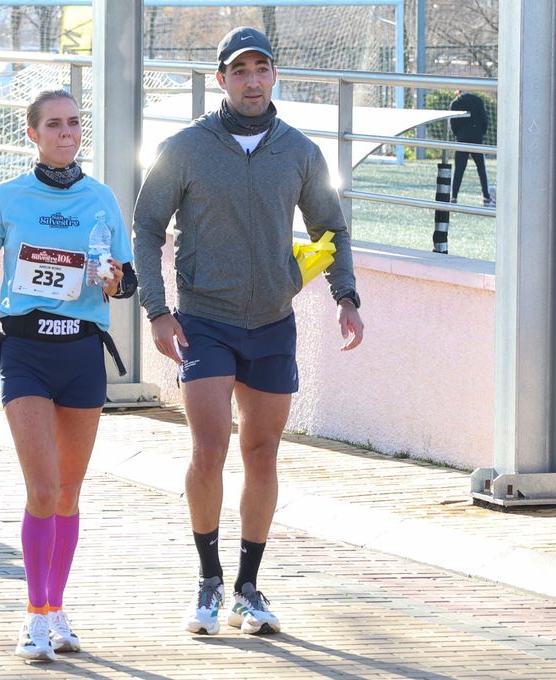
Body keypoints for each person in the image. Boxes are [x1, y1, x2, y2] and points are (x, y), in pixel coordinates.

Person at [132, 27, 363, 637]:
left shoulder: (300, 152)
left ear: (274, 75)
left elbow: (330, 226)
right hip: (203, 321)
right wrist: (158, 310)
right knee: (209, 448)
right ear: (221, 80)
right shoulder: (185, 148)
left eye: (262, 69)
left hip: (271, 323)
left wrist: (347, 296)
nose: (252, 80)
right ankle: (207, 581)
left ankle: (247, 589)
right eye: (240, 71)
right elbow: (147, 226)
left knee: (261, 452)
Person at [0, 89, 136, 662]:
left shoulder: (103, 199)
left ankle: (57, 608)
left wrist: (113, 281)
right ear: (31, 135)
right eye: (54, 125)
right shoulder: (7, 198)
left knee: (68, 492)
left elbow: (127, 283)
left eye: (74, 124)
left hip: (83, 355)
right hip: (27, 356)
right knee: (41, 489)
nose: (66, 133)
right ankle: (34, 617)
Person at [449, 90, 494, 207]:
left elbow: (453, 123)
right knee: (481, 168)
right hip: (476, 137)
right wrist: (479, 132)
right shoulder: (478, 101)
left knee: (459, 169)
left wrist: (459, 134)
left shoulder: (455, 103)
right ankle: (486, 197)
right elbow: (484, 121)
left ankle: (454, 196)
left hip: (462, 138)